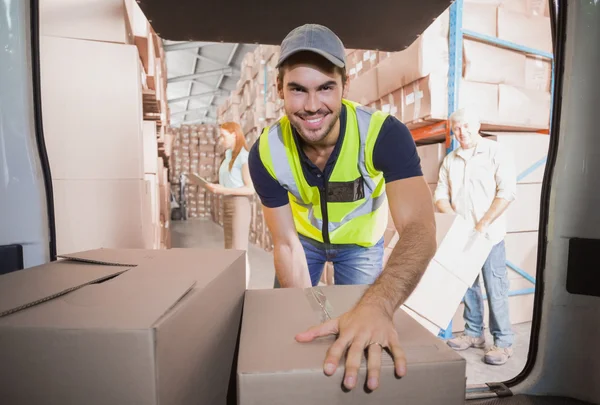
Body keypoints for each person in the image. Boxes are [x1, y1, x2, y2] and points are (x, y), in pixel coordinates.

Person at [247, 24, 437, 391]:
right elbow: (285, 243)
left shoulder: (383, 134)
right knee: (294, 330)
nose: (313, 105)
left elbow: (420, 228)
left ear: (345, 85)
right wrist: (300, 317)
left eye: (326, 88)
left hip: (361, 247)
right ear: (279, 91)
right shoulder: (266, 153)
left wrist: (379, 305)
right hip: (304, 245)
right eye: (298, 90)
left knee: (366, 337)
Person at [434, 107, 517, 366]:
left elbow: (507, 192)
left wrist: (482, 224)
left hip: (489, 235)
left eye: (466, 126)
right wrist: (457, 223)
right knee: (466, 287)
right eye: (457, 127)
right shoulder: (451, 159)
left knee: (495, 289)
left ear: (478, 125)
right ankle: (473, 334)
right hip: (462, 236)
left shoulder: (496, 153)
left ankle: (503, 343)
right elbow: (439, 196)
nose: (462, 132)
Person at [205, 122, 255, 287]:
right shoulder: (227, 157)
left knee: (239, 250)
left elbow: (250, 189)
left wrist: (223, 189)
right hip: (227, 203)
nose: (221, 140)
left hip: (239, 205)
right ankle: (232, 288)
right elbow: (227, 183)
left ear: (234, 134)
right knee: (229, 249)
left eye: (223, 136)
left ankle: (243, 290)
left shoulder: (243, 157)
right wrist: (214, 187)